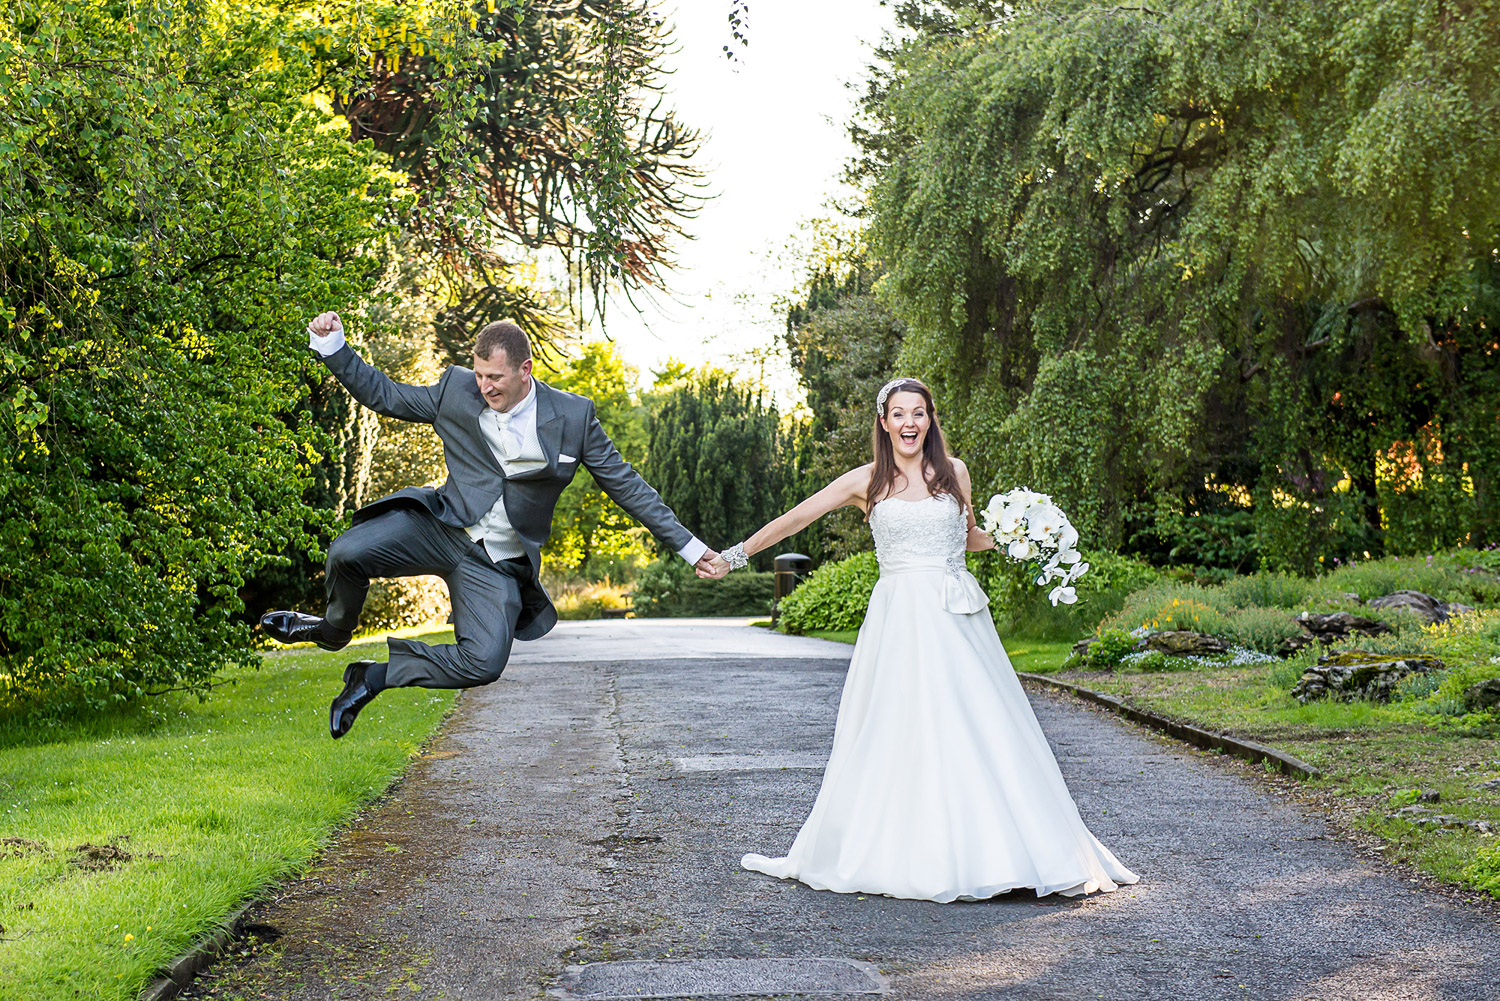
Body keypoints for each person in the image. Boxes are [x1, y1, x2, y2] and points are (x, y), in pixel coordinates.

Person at [699, 378, 1138, 901]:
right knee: (902, 727)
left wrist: (1022, 534)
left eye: (920, 413)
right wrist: (732, 556)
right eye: (899, 414)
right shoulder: (866, 481)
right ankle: (913, 851)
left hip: (958, 617)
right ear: (884, 423)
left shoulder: (955, 474)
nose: (910, 423)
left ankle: (1006, 851)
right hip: (899, 619)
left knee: (980, 723)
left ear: (930, 420)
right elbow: (795, 519)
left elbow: (968, 537)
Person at [261, 312, 718, 738]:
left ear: (525, 369)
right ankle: (333, 631)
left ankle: (372, 676)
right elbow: (384, 394)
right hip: (442, 527)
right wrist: (333, 346)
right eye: (479, 375)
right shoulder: (454, 392)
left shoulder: (573, 419)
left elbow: (628, 486)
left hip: (496, 561)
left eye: (495, 377)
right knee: (345, 552)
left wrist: (693, 549)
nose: (485, 387)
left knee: (483, 662)